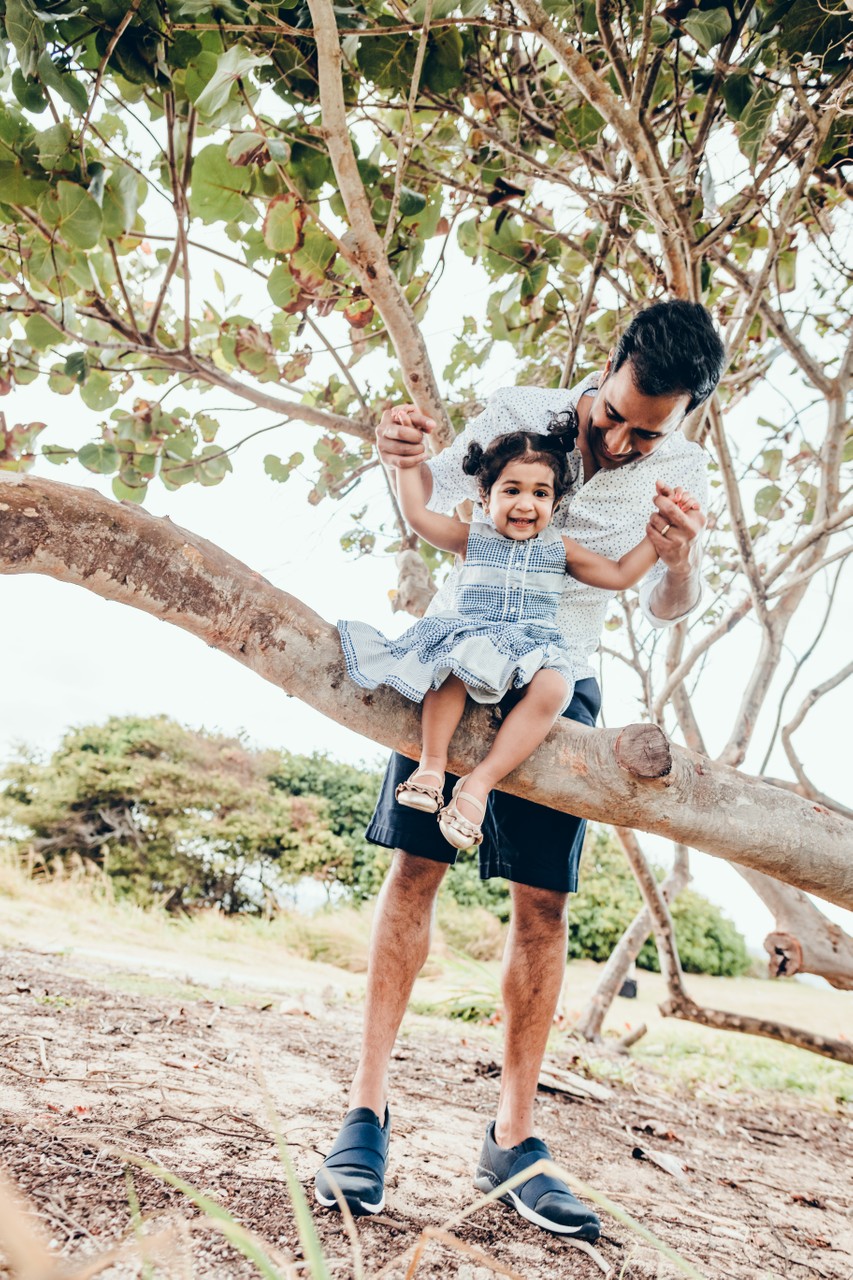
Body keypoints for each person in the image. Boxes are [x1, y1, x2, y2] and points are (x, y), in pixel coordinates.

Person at [315, 300, 725, 1239]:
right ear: (610, 360)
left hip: (560, 683)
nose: (623, 442)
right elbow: (442, 514)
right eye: (617, 415)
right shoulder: (513, 408)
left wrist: (675, 559)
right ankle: (365, 1114)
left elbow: (666, 602)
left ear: (686, 415)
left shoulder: (679, 468)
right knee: (414, 869)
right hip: (461, 665)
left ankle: (513, 1137)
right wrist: (399, 458)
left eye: (647, 431)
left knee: (544, 905)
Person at [338, 431, 699, 851]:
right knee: (452, 666)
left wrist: (659, 536)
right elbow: (417, 515)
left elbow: (619, 574)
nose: (526, 503)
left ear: (556, 503)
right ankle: (431, 767)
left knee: (555, 686)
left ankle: (479, 785)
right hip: (473, 632)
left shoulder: (560, 548)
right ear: (485, 495)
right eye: (511, 490)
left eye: (540, 493)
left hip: (531, 644)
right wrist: (404, 464)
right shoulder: (472, 537)